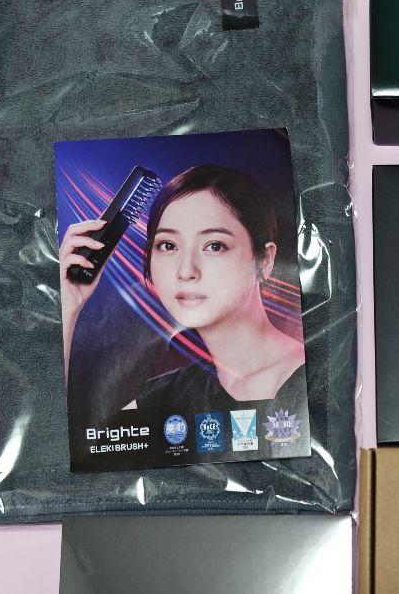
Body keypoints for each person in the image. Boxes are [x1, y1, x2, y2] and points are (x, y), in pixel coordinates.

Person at [59, 164, 305, 412]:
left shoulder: (311, 373)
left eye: (215, 246)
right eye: (168, 246)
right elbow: (59, 431)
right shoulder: (166, 396)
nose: (186, 271)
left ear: (264, 260)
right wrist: (68, 307)